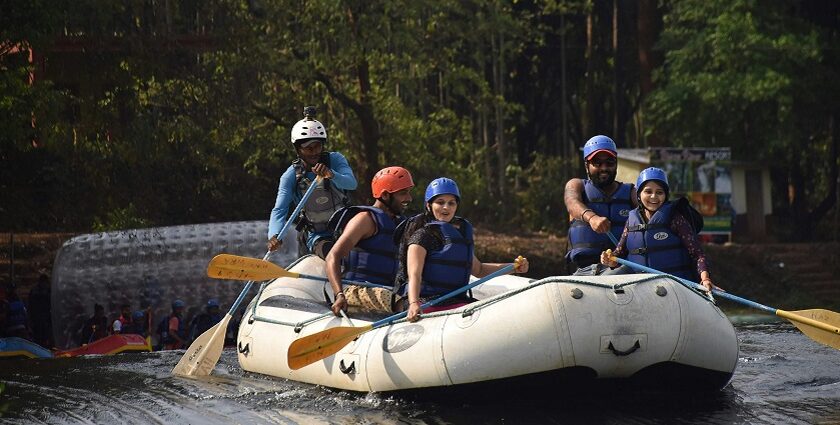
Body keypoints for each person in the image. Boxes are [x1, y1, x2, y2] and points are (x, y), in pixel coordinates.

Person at [394, 177, 530, 322]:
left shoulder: (461, 233)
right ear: (429, 205)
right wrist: (414, 303)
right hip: (426, 301)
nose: (446, 207)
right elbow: (414, 275)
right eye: (440, 202)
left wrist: (514, 267)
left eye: (451, 203)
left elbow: (479, 270)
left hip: (456, 302)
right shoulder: (421, 235)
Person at [599, 167, 718, 292]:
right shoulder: (631, 220)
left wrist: (705, 279)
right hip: (641, 287)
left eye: (659, 192)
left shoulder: (675, 218)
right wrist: (609, 260)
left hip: (675, 286)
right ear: (639, 194)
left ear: (666, 195)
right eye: (648, 191)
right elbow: (619, 254)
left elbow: (698, 255)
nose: (654, 196)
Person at [267, 106, 358, 258]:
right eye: (308, 148)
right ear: (298, 149)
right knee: (334, 255)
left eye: (318, 146)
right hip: (317, 236)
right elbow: (279, 210)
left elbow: (351, 183)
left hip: (346, 229)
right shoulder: (290, 176)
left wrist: (331, 174)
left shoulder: (335, 160)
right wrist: (274, 235)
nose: (314, 152)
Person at [325, 166, 415, 316]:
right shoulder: (365, 219)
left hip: (388, 290)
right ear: (385, 195)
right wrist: (339, 294)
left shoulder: (400, 223)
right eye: (403, 193)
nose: (409, 198)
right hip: (355, 290)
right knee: (404, 303)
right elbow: (332, 257)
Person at [564, 135, 637, 274]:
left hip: (621, 269)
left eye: (609, 162)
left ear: (616, 164)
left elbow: (649, 206)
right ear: (587, 165)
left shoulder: (631, 192)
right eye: (597, 163)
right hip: (583, 270)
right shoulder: (577, 185)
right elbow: (572, 202)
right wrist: (592, 218)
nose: (604, 168)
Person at [27, 273, 52, 347]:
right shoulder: (48, 290)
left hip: (38, 317)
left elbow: (30, 305)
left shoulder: (34, 290)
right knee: (43, 337)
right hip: (43, 317)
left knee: (39, 337)